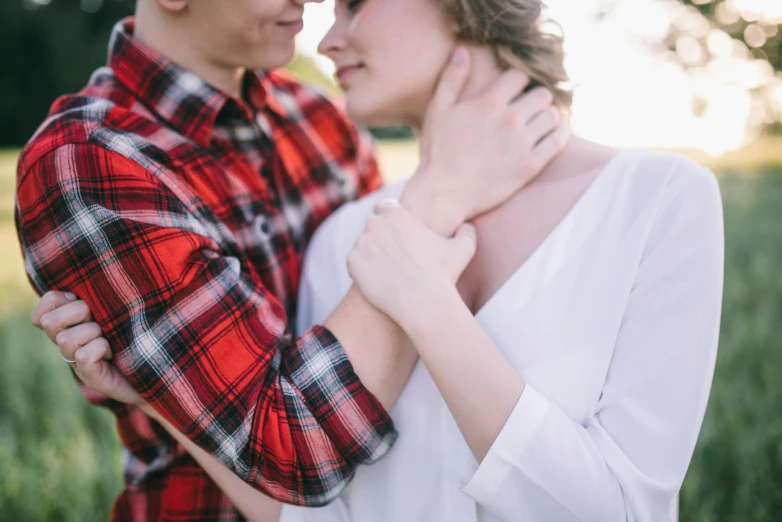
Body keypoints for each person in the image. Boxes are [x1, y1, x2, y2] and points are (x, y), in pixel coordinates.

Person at [31, 0, 725, 520]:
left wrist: (421, 292)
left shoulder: (659, 200)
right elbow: (311, 491)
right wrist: (157, 381)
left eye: (356, 2)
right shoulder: (350, 234)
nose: (324, 35)